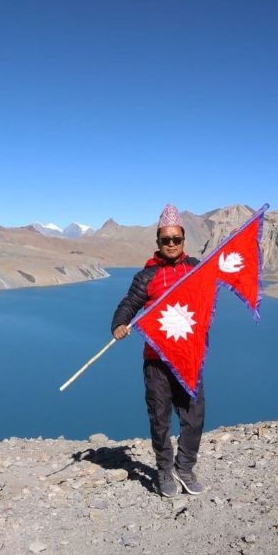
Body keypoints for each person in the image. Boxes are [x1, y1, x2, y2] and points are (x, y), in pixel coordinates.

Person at [110, 204, 206, 498]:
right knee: (160, 418)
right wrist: (120, 323)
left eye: (176, 239)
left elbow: (215, 284)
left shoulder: (196, 269)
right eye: (166, 240)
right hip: (156, 361)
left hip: (189, 359)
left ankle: (185, 467)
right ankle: (164, 470)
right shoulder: (146, 276)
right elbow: (129, 303)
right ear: (158, 242)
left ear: (183, 240)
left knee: (194, 417)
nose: (172, 244)